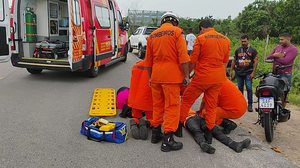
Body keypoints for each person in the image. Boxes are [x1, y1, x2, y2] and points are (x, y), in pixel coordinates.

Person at [144, 12, 190, 152]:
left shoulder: (152, 35)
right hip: (171, 77)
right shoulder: (177, 32)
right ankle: (168, 140)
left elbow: (148, 62)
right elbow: (183, 57)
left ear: (162, 22)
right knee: (172, 106)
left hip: (156, 76)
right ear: (174, 22)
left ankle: (155, 134)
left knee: (157, 105)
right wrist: (187, 76)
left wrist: (151, 78)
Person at [179, 19, 231, 144]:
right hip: (218, 77)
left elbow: (193, 60)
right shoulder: (226, 40)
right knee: (211, 106)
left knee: (186, 100)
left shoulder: (201, 38)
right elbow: (225, 60)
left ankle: (178, 128)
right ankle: (209, 133)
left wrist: (187, 75)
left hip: (202, 77)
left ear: (202, 28)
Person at [185, 111, 251, 154]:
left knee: (215, 130)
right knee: (197, 131)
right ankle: (204, 144)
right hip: (188, 119)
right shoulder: (177, 108)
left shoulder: (187, 103)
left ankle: (235, 145)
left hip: (199, 118)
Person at [230, 35, 258, 112]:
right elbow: (234, 60)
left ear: (248, 41)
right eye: (242, 41)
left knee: (249, 88)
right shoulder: (238, 50)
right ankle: (241, 104)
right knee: (240, 89)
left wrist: (253, 72)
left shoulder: (253, 50)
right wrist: (231, 70)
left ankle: (250, 105)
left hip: (248, 73)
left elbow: (256, 62)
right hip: (239, 72)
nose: (243, 43)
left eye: (245, 41)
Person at [127, 60, 153, 140]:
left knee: (136, 115)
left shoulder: (137, 65)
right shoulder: (154, 66)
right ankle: (147, 123)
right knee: (152, 118)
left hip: (134, 99)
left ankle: (135, 121)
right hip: (148, 100)